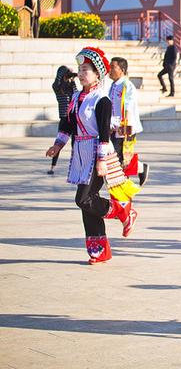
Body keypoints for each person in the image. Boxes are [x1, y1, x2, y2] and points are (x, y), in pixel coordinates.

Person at [45, 47, 140, 265]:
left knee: (84, 199)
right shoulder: (77, 97)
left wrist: (100, 161)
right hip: (80, 153)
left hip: (98, 153)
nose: (80, 73)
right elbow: (68, 123)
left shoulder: (102, 100)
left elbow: (105, 134)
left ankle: (121, 210)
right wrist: (58, 144)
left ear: (98, 73)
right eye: (79, 69)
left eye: (85, 69)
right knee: (87, 203)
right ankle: (99, 251)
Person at [108, 57, 150, 186]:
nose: (109, 69)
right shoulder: (113, 85)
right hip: (114, 126)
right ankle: (140, 168)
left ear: (122, 70)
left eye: (113, 67)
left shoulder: (127, 85)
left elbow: (128, 107)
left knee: (121, 157)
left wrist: (123, 127)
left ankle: (125, 184)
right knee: (118, 156)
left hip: (126, 127)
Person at [48, 66, 77, 175]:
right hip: (64, 117)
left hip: (73, 116)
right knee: (59, 142)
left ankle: (75, 167)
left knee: (75, 142)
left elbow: (76, 94)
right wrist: (66, 73)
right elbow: (58, 84)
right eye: (66, 73)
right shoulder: (57, 86)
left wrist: (72, 80)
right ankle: (52, 166)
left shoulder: (71, 85)